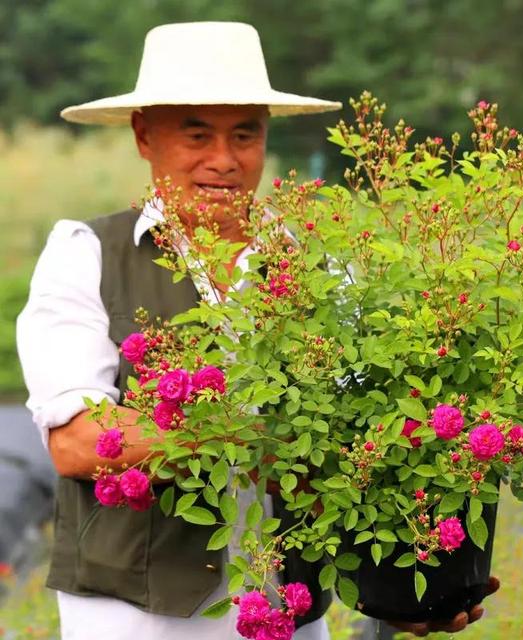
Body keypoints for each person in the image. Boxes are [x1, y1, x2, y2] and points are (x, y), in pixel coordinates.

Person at [16, 21, 498, 640]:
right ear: (144, 134)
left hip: (287, 608)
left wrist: (419, 570)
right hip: (131, 612)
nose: (224, 159)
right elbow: (80, 441)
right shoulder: (88, 252)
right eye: (198, 134)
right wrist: (265, 438)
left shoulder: (320, 267)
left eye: (245, 134)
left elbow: (362, 438)